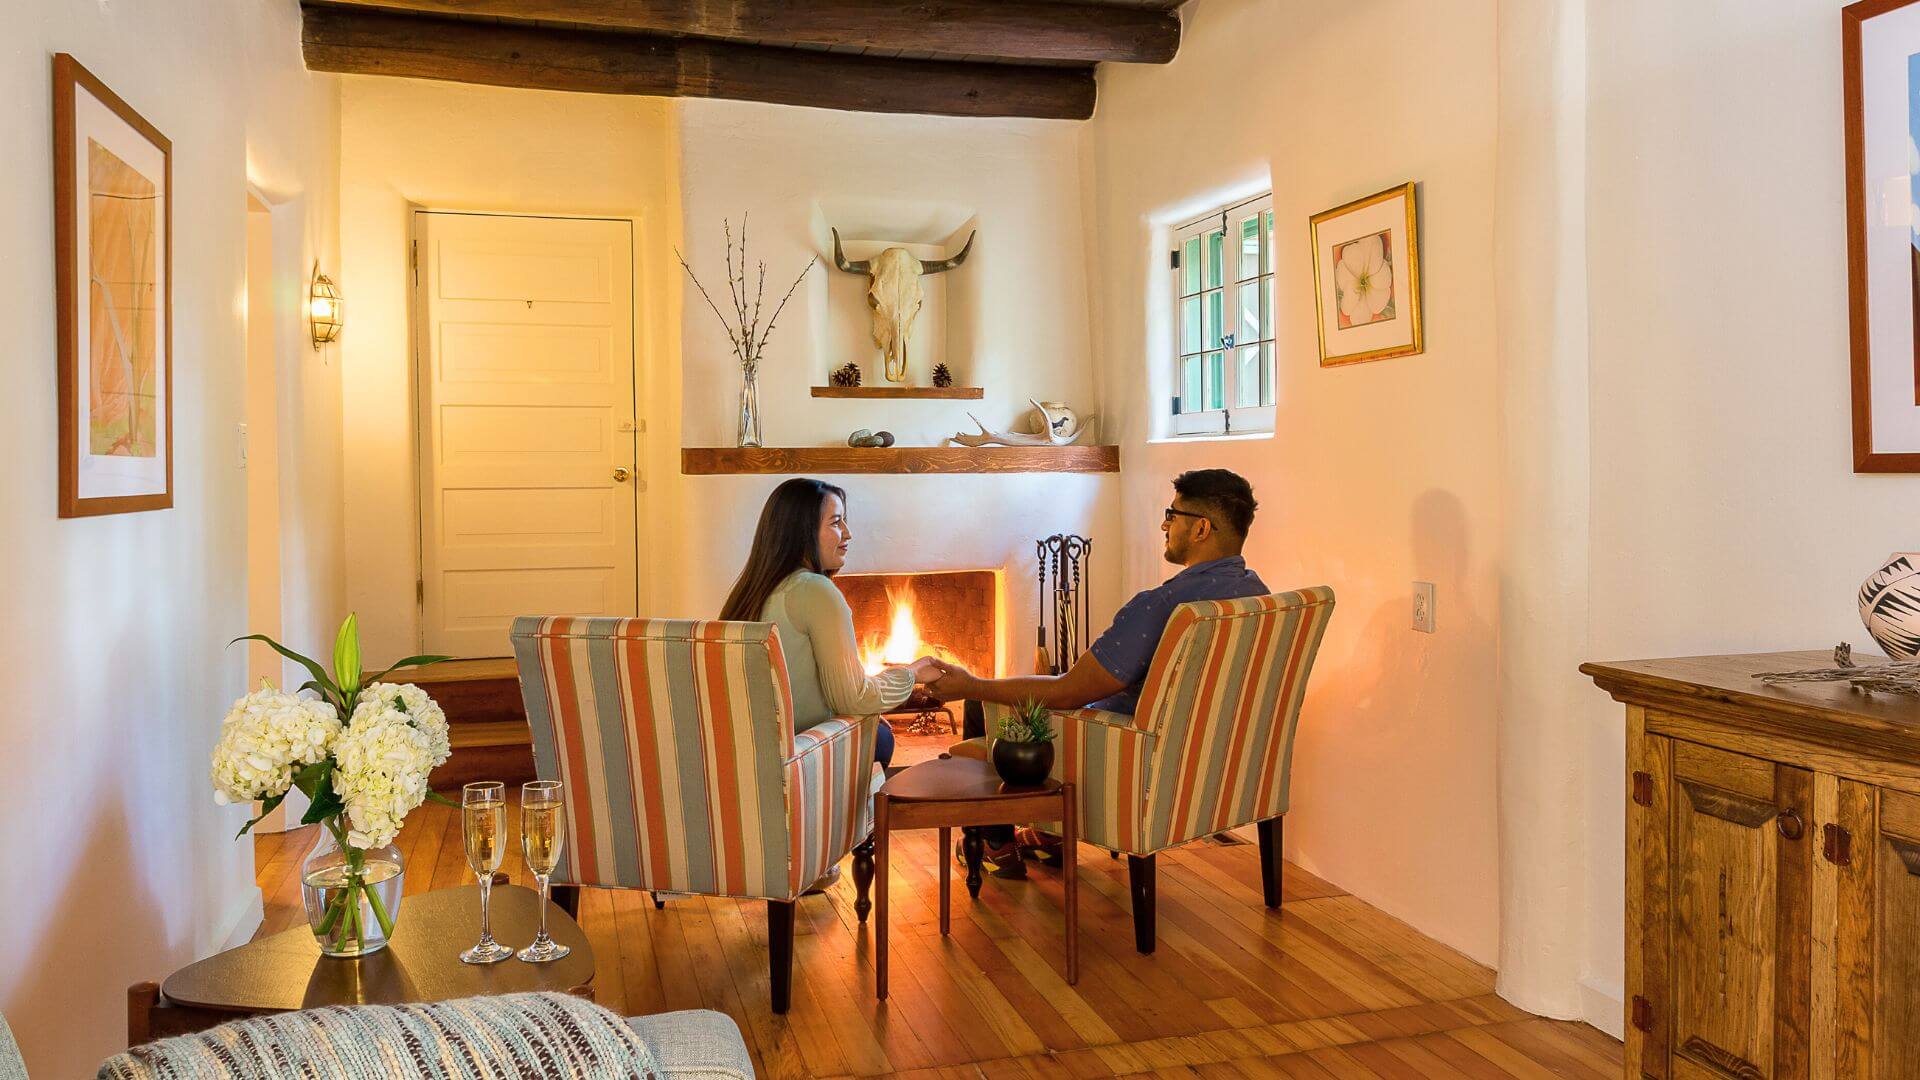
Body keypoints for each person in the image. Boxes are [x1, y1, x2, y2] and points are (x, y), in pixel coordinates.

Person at [926, 468, 1269, 871]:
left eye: (1172, 514)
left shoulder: (1161, 606)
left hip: (1127, 752)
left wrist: (974, 684)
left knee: (980, 700)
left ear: (1201, 529)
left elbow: (1069, 691)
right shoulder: (1258, 596)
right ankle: (1049, 832)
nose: (1164, 523)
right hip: (1208, 761)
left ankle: (994, 844)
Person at [720, 478, 945, 771]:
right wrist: (913, 672)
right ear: (802, 532)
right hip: (804, 757)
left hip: (757, 757)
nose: (848, 534)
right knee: (882, 736)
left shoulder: (753, 590)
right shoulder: (813, 589)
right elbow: (854, 698)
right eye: (836, 522)